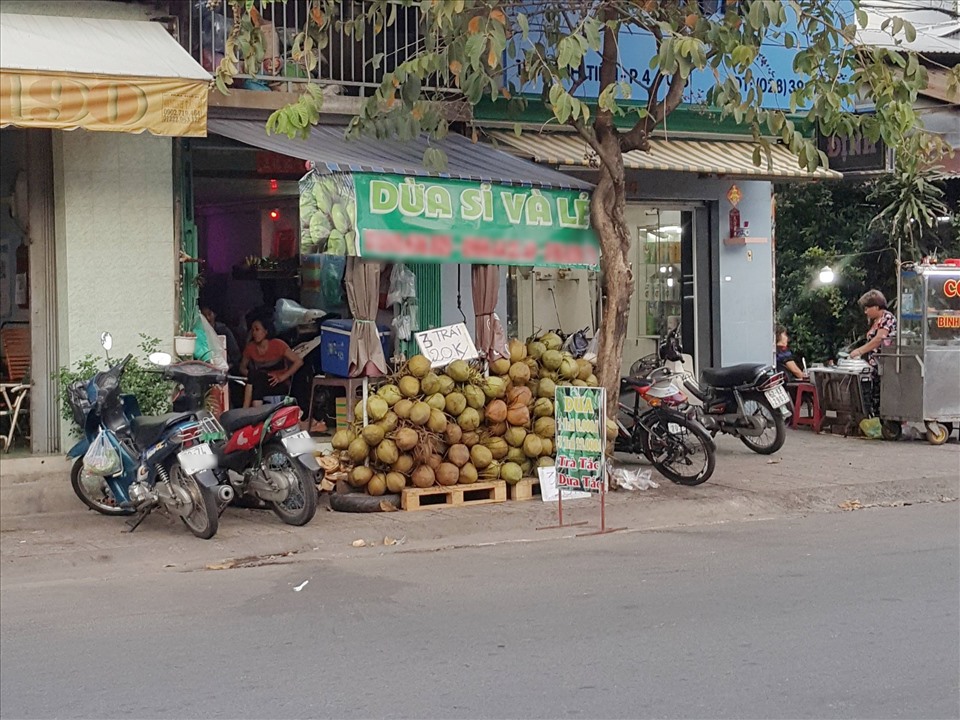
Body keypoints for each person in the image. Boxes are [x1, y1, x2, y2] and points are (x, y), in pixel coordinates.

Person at [849, 289, 897, 415]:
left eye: (867, 308)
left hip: (885, 365)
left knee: (881, 395)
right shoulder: (875, 321)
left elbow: (879, 339)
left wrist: (859, 351)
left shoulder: (887, 318)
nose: (865, 312)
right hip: (874, 366)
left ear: (876, 307)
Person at [239, 319, 303, 408]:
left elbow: (298, 361)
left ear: (266, 331)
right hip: (259, 382)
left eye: (257, 329)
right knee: (256, 378)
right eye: (252, 330)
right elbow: (242, 367)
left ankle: (248, 410)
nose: (254, 333)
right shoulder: (250, 348)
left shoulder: (278, 344)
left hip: (277, 383)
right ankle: (254, 411)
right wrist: (251, 375)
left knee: (256, 379)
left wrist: (282, 377)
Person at [200, 304, 241, 370]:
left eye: (209, 314)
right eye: (204, 316)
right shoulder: (199, 333)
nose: (207, 318)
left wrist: (224, 369)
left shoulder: (223, 330)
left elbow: (236, 357)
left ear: (214, 314)